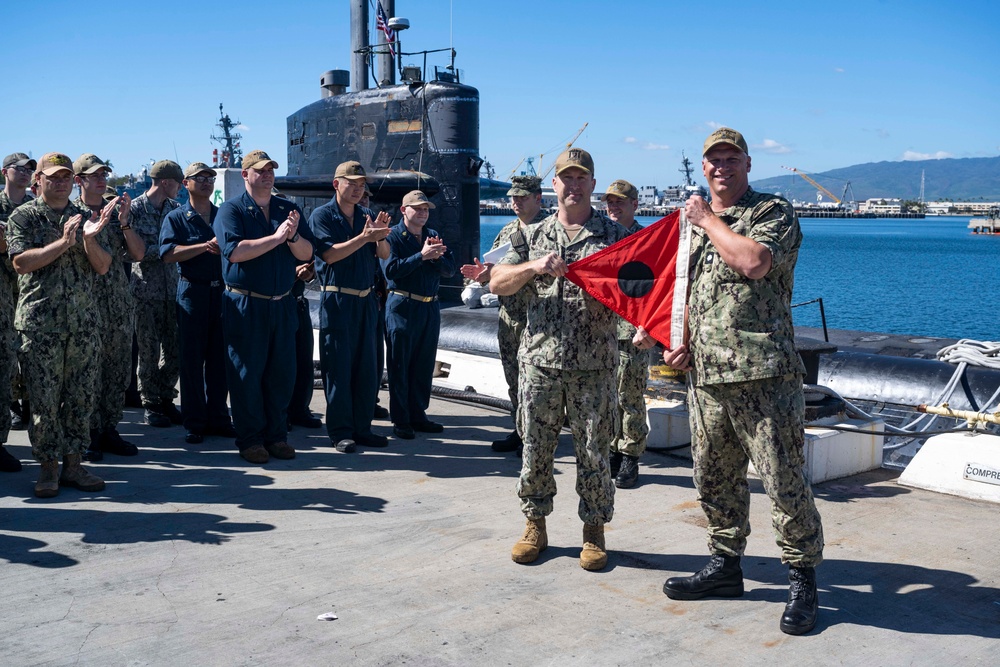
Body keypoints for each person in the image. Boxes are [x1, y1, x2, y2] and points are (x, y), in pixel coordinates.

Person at [660, 127, 824, 635]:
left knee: (782, 480)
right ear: (704, 167)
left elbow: (753, 262)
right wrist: (677, 339)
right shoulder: (690, 228)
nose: (720, 168)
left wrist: (707, 219)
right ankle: (725, 565)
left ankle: (801, 579)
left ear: (748, 165)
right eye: (713, 161)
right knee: (713, 477)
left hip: (763, 375)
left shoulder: (770, 212)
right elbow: (684, 289)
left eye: (731, 160)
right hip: (706, 375)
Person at [490, 149, 642, 571]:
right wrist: (534, 266)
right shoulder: (530, 237)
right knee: (535, 448)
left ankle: (594, 531)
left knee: (594, 451)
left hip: (594, 365)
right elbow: (498, 281)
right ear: (553, 185)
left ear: (593, 184)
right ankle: (534, 523)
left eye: (581, 178)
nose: (573, 185)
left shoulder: (614, 237)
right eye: (565, 178)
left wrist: (650, 328)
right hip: (539, 361)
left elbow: (642, 290)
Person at [7, 152, 115, 497]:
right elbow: (21, 262)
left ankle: (73, 465)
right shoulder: (24, 216)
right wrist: (63, 242)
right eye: (52, 177)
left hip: (82, 324)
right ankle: (48, 469)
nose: (60, 182)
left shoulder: (86, 217)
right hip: (40, 326)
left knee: (80, 398)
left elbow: (103, 266)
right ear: (38, 180)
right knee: (44, 402)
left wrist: (86, 239)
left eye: (66, 177)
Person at [213, 149, 314, 464]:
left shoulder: (288, 209)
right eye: (261, 170)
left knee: (281, 374)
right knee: (247, 374)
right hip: (246, 304)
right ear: (246, 175)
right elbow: (234, 252)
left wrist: (293, 236)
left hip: (281, 305)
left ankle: (276, 436)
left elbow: (307, 252)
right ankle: (251, 439)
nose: (268, 174)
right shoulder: (231, 211)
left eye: (271, 169)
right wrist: (277, 236)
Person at [308, 161, 391, 452]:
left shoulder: (367, 214)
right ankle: (341, 431)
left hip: (366, 300)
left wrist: (379, 236)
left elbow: (383, 253)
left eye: (361, 185)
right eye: (352, 184)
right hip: (338, 300)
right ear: (336, 184)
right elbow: (329, 255)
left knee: (367, 368)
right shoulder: (322, 216)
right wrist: (364, 237)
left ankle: (362, 427)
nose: (358, 190)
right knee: (339, 367)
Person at [460, 175, 546, 456]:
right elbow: (495, 271)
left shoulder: (549, 230)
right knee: (514, 378)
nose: (515, 202)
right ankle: (520, 430)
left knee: (537, 382)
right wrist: (484, 277)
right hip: (510, 317)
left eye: (522, 197)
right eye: (513, 197)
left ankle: (538, 436)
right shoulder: (508, 230)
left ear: (538, 198)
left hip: (540, 319)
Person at [71, 154, 145, 461]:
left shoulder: (115, 213)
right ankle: (87, 434)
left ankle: (109, 430)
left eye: (104, 174)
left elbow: (138, 254)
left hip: (118, 305)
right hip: (84, 306)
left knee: (117, 373)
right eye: (94, 175)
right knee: (87, 374)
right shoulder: (70, 214)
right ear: (79, 181)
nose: (101, 179)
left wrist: (126, 222)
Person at [160, 162, 236, 445]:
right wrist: (203, 247)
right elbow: (167, 253)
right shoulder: (177, 218)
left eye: (210, 178)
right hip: (192, 292)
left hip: (221, 293)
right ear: (186, 184)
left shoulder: (222, 216)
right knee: (192, 361)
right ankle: (194, 421)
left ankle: (219, 417)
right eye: (199, 178)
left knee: (220, 360)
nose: (206, 182)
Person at [381, 190, 455, 440]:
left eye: (426, 210)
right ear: (404, 210)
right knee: (400, 365)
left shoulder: (432, 235)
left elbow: (449, 270)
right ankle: (401, 419)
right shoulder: (392, 236)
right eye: (418, 209)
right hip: (402, 306)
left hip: (429, 307)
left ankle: (418, 414)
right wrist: (421, 256)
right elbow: (391, 271)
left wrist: (435, 258)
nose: (423, 213)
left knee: (424, 364)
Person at [602, 179, 650, 489]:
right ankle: (610, 450)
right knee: (605, 397)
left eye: (620, 201)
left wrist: (649, 326)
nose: (613, 207)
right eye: (610, 201)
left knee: (630, 396)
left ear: (635, 204)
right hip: (601, 330)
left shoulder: (648, 241)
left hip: (634, 329)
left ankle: (630, 454)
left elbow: (659, 288)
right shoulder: (600, 238)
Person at [131, 160, 183, 427]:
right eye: (178, 182)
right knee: (148, 352)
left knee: (174, 351)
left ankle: (166, 398)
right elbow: (130, 251)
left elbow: (182, 246)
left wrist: (166, 253)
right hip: (144, 292)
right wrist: (163, 253)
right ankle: (150, 403)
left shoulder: (176, 210)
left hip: (172, 291)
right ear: (165, 182)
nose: (180, 187)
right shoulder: (134, 210)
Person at [0, 152, 35, 471]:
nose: (26, 173)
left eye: (30, 170)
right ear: (5, 172)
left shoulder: (35, 208)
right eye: (19, 169)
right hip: (3, 298)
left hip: (31, 297)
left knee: (30, 361)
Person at [287, 257, 323, 430]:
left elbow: (312, 269)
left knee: (304, 361)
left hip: (299, 301)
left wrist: (309, 274)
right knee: (282, 363)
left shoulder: (301, 234)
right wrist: (292, 272)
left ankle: (300, 409)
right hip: (280, 301)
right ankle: (281, 413)